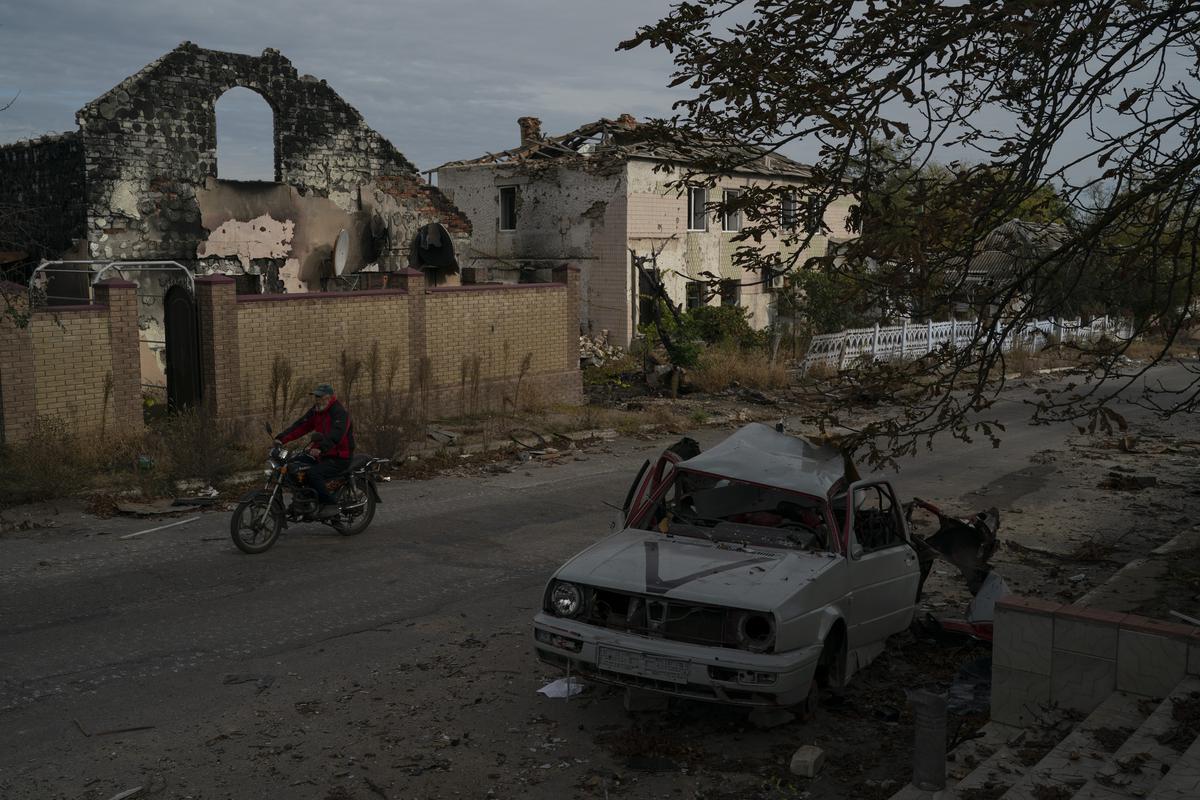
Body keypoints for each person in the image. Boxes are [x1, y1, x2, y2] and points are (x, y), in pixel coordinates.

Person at [276, 384, 354, 519]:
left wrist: (320, 448)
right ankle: (304, 500)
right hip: (321, 454)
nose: (316, 400)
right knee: (292, 465)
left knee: (313, 473)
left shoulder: (339, 413)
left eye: (319, 397)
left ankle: (330, 505)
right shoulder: (316, 411)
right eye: (315, 397)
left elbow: (337, 434)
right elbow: (301, 426)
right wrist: (281, 439)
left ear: (329, 397)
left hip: (339, 457)